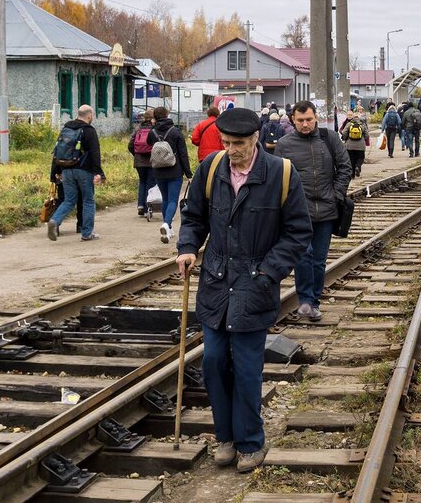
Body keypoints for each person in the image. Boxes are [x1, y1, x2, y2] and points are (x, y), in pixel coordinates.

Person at [177, 107, 312, 472]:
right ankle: (226, 438)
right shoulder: (210, 170)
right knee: (213, 361)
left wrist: (268, 272)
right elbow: (193, 217)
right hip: (217, 284)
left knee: (248, 367)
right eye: (226, 142)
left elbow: (298, 232)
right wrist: (188, 247)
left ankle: (251, 442)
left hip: (255, 284)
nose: (231, 149)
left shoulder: (281, 174)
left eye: (238, 143)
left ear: (255, 140)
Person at [274, 100, 351, 322]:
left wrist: (336, 194)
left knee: (318, 259)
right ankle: (305, 300)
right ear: (293, 121)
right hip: (299, 211)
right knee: (302, 255)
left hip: (327, 210)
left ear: (315, 117)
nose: (305, 124)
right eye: (300, 120)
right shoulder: (285, 144)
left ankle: (314, 301)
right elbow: (278, 177)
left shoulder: (330, 138)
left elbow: (344, 167)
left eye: (309, 119)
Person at [48, 105, 105, 242]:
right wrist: (99, 173)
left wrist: (57, 171)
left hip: (66, 169)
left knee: (69, 200)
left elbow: (58, 151)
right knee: (88, 201)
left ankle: (55, 221)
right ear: (89, 115)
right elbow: (95, 153)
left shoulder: (66, 128)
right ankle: (86, 233)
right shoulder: (89, 130)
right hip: (84, 170)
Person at [148, 106, 192, 244]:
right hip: (175, 170)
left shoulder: (152, 132)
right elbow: (183, 154)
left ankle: (169, 229)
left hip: (158, 170)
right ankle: (167, 224)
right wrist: (188, 174)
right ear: (167, 115)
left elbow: (149, 145)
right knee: (173, 200)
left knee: (165, 199)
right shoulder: (176, 132)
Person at [129, 110, 155, 216]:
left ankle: (140, 205)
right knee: (150, 183)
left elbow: (130, 145)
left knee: (142, 182)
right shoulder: (154, 130)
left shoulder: (138, 129)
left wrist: (136, 155)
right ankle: (147, 207)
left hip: (139, 161)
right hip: (151, 161)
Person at [339, 110, 370, 177]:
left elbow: (344, 133)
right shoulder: (362, 124)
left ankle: (352, 175)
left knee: (351, 159)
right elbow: (367, 135)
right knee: (360, 158)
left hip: (350, 146)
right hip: (360, 146)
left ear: (353, 117)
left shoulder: (349, 124)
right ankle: (358, 167)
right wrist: (362, 139)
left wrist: (345, 138)